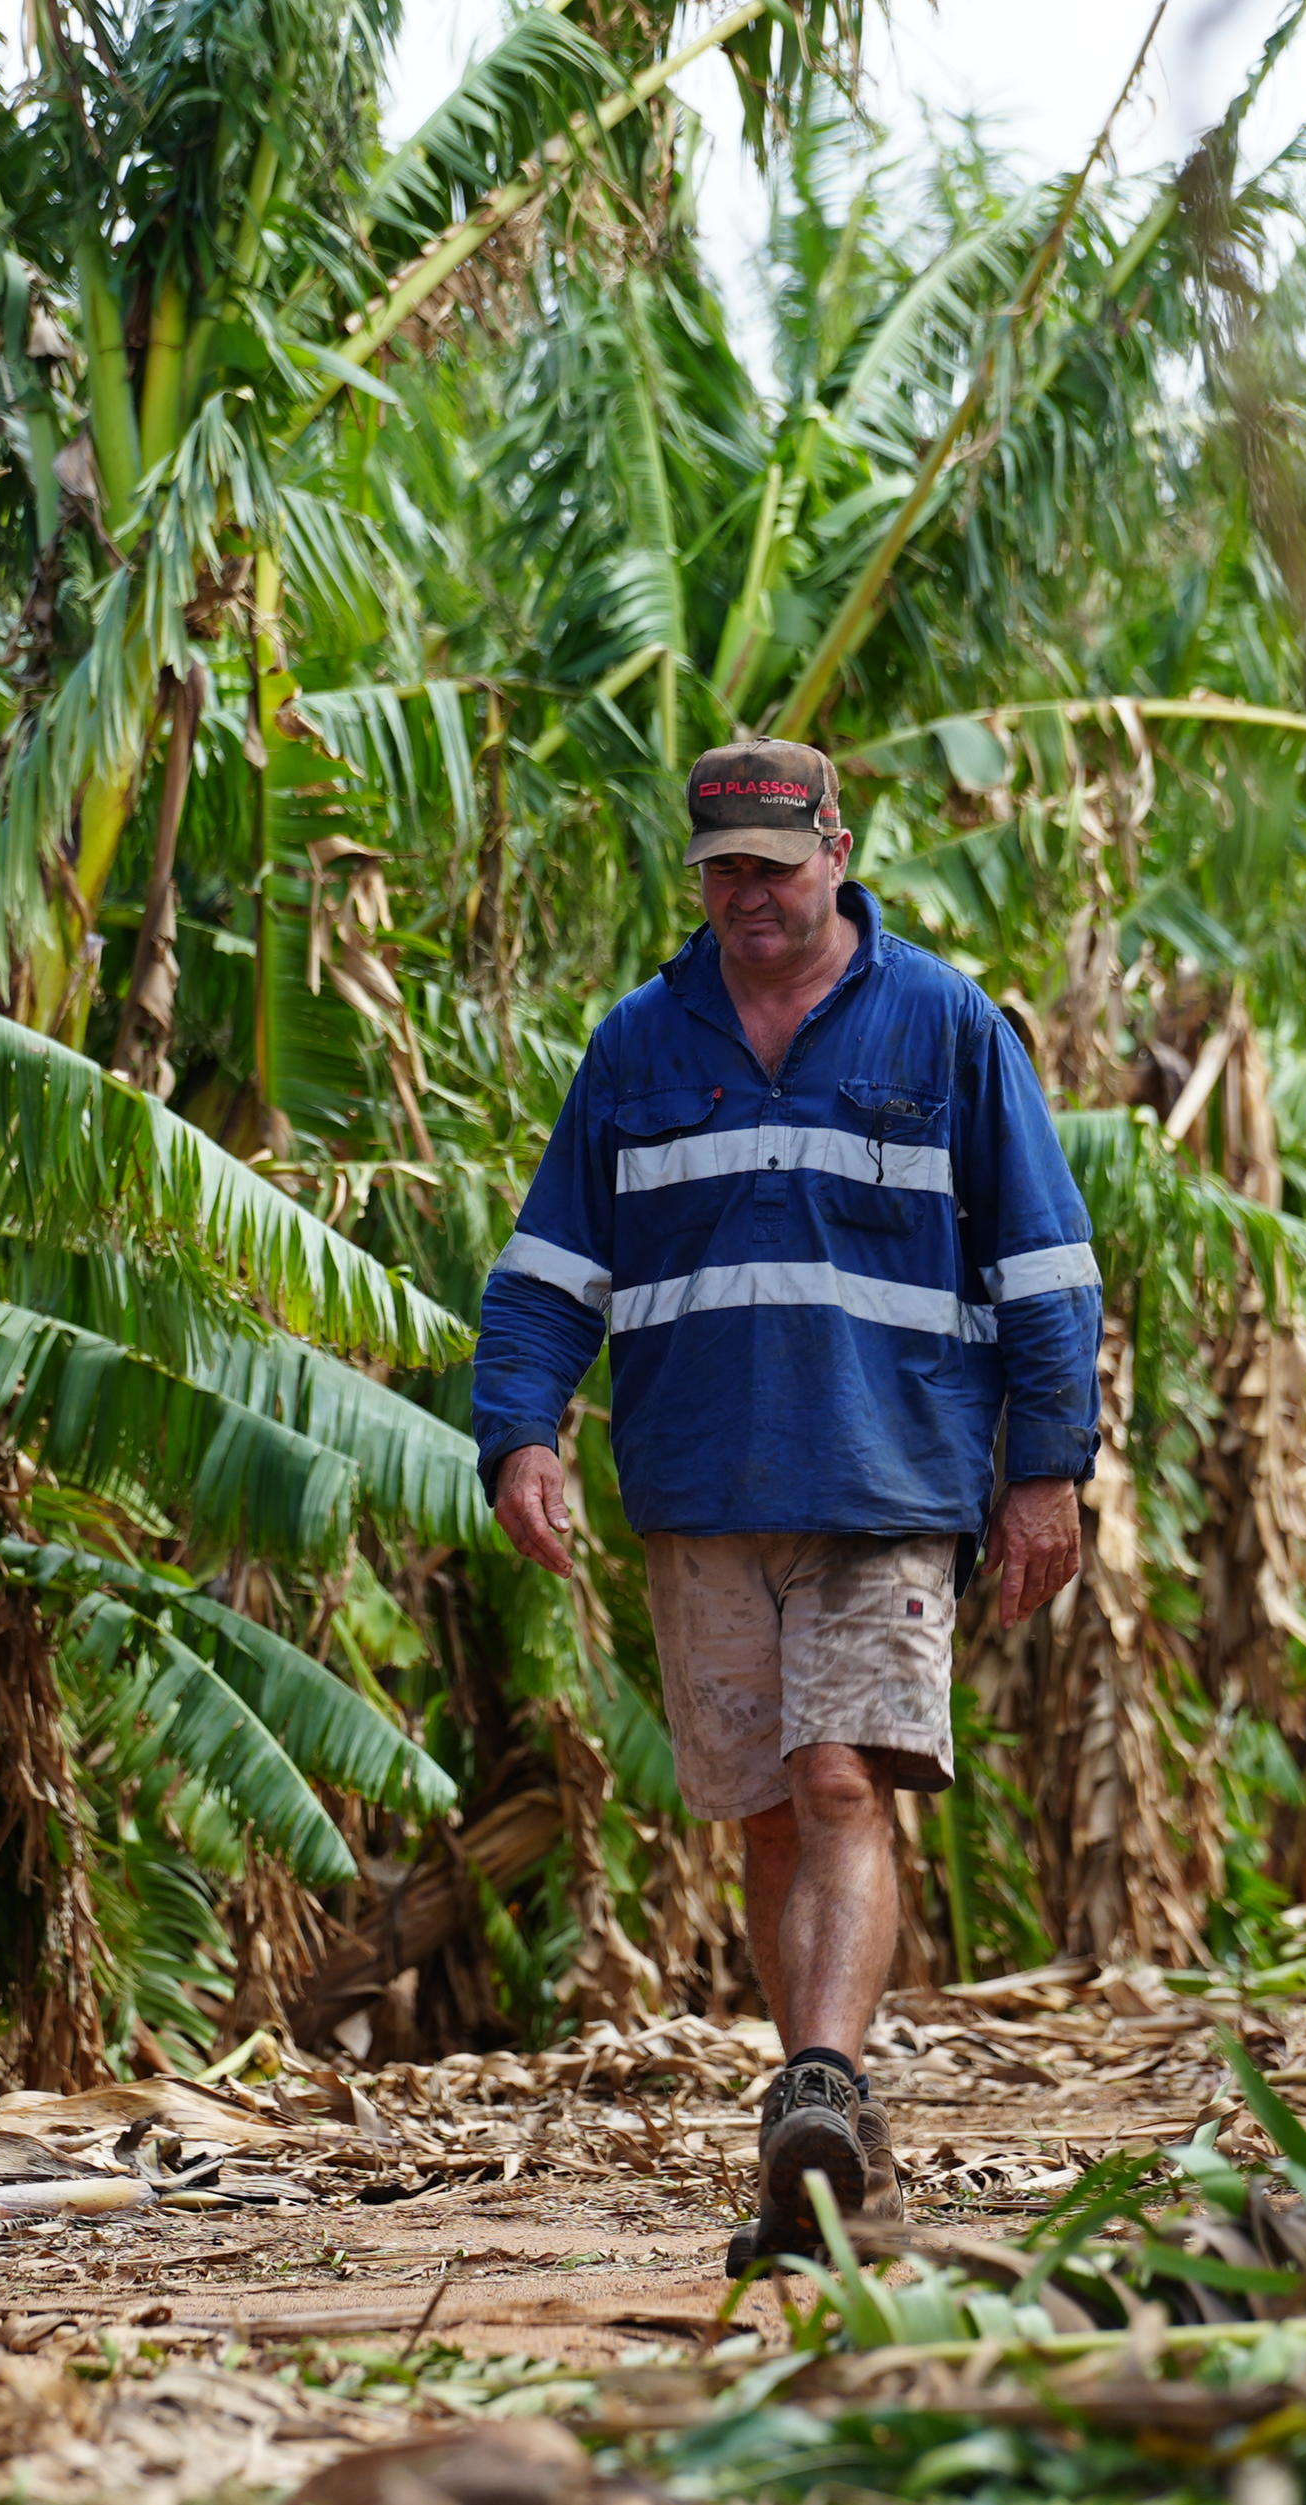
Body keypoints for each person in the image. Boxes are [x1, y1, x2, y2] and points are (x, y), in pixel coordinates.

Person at [469, 737, 1102, 2276]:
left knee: (836, 1781)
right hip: (699, 1486)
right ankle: (826, 2149)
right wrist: (521, 1436)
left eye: (774, 863)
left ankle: (818, 2081)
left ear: (836, 848)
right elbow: (555, 1266)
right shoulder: (639, 1046)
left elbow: (1043, 1262)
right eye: (723, 871)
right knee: (761, 1806)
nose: (749, 895)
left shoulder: (946, 1028)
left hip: (892, 1478)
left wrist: (1049, 1466)